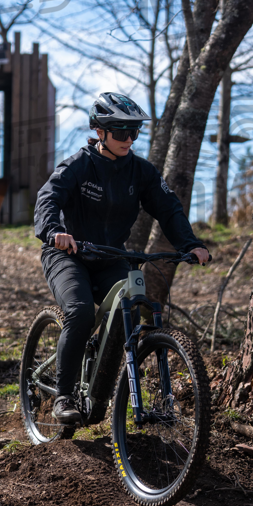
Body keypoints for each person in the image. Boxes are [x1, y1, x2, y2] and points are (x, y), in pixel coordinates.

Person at [34, 91, 210, 425]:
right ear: (99, 131)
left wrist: (191, 243)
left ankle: (102, 386)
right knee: (81, 311)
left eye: (134, 132)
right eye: (120, 132)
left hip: (112, 256)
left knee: (130, 309)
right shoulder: (77, 166)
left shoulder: (141, 171)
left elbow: (168, 208)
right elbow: (48, 199)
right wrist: (55, 230)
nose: (129, 139)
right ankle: (64, 396)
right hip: (68, 255)